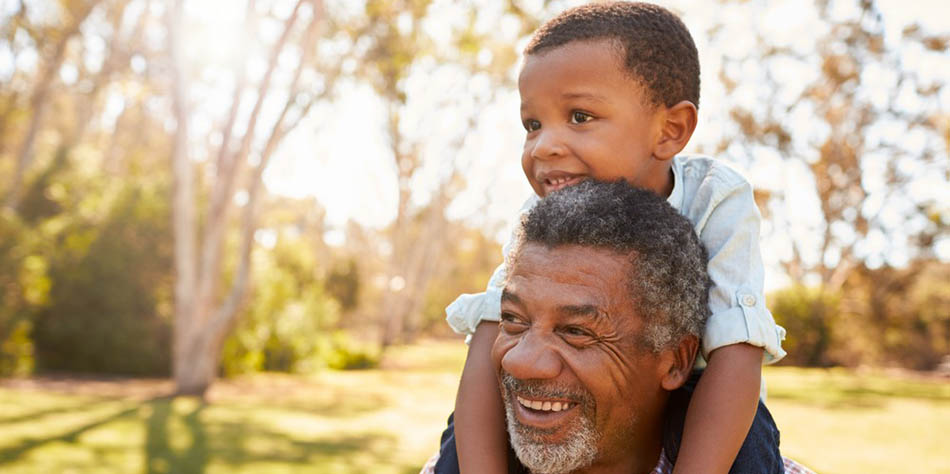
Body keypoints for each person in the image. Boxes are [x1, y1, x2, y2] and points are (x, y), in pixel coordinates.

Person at [439, 3, 787, 473]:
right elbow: (490, 332)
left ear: (670, 130)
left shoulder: (714, 196)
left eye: (580, 116)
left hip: (700, 398)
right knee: (465, 433)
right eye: (533, 125)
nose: (544, 146)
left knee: (751, 432)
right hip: (573, 411)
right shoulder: (540, 216)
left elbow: (737, 347)